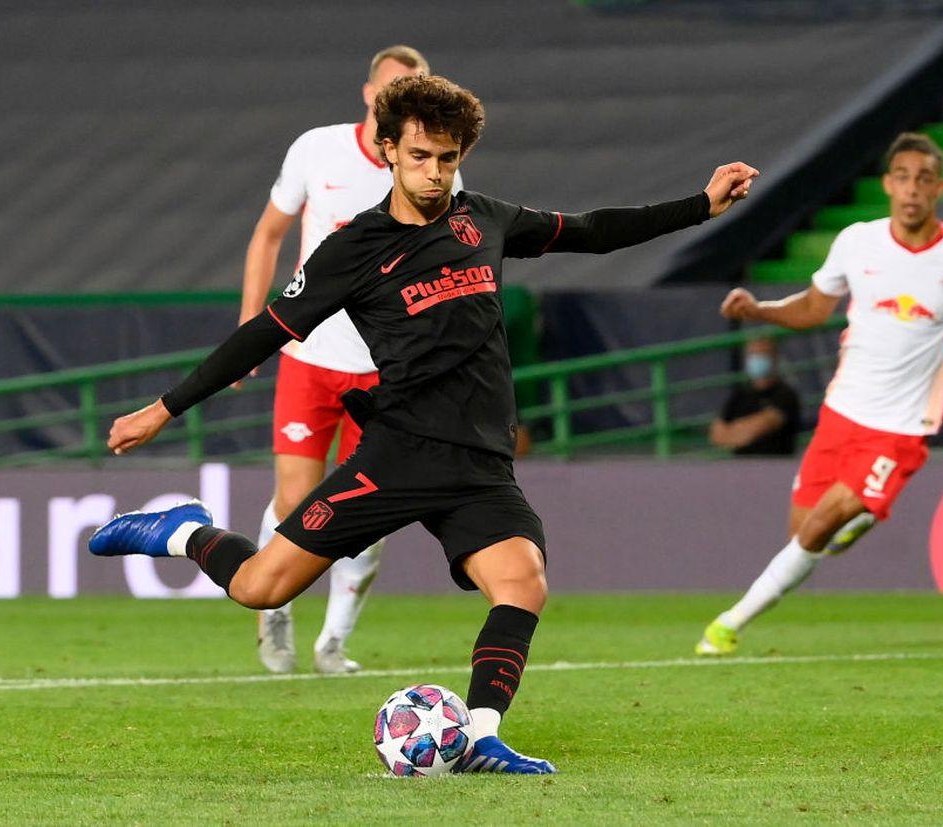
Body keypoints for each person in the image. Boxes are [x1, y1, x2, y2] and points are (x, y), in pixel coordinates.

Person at [89, 74, 760, 774]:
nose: (435, 172)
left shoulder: (484, 219)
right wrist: (163, 408)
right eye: (419, 156)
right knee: (261, 586)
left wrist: (700, 205)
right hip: (399, 455)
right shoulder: (354, 249)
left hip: (478, 463)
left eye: (447, 157)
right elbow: (262, 333)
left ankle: (479, 734)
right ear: (387, 152)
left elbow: (590, 231)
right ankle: (184, 529)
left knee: (523, 579)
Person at [696, 132, 943, 656]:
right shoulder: (856, 242)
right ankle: (866, 514)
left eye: (924, 179)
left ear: (938, 187)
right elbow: (813, 309)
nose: (913, 189)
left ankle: (728, 625)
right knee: (805, 530)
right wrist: (759, 310)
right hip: (843, 411)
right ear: (889, 185)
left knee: (821, 526)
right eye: (903, 177)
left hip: (903, 426)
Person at [238, 46, 458, 675]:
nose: (405, 100)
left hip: (388, 370)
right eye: (394, 89)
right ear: (370, 95)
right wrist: (254, 323)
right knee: (294, 498)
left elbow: (451, 267)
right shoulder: (316, 149)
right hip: (311, 355)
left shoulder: (435, 170)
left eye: (416, 90)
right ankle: (272, 611)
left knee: (366, 509)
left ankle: (334, 641)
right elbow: (268, 233)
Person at [708, 337, 800, 455]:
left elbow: (761, 427)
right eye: (753, 356)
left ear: (774, 358)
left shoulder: (786, 395)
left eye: (763, 355)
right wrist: (739, 432)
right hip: (740, 467)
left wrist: (732, 431)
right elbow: (716, 435)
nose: (757, 360)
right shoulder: (740, 395)